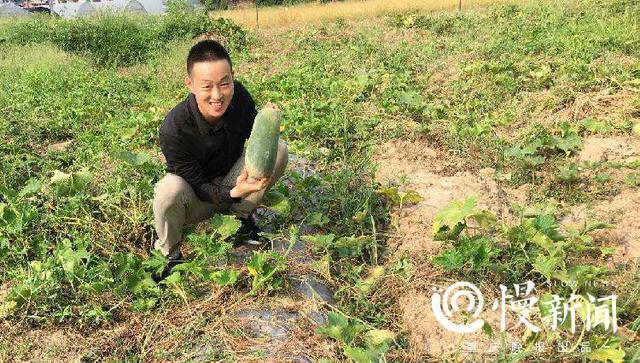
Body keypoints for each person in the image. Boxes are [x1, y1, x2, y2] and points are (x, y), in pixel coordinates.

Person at [151, 39, 288, 281]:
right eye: (207, 87)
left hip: (235, 184)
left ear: (233, 77)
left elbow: (258, 140)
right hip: (198, 199)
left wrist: (268, 120)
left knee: (277, 149)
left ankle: (239, 220)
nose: (217, 95)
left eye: (225, 84)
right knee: (168, 189)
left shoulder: (240, 97)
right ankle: (169, 256)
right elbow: (197, 185)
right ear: (190, 85)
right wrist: (234, 191)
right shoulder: (174, 129)